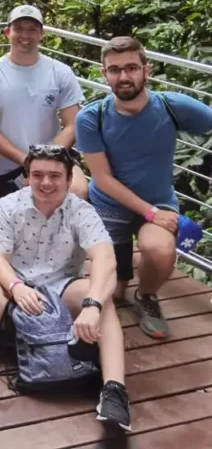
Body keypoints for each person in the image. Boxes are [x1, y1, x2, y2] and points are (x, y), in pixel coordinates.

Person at [0, 145, 131, 432]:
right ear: (27, 177)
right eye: (37, 175)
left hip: (62, 286)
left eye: (55, 176)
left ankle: (114, 389)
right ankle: (59, 344)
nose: (45, 183)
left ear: (69, 180)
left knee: (102, 298)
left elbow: (105, 258)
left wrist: (92, 305)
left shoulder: (81, 210)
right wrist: (16, 287)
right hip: (17, 289)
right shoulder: (9, 205)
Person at [76, 36, 212, 339]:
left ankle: (148, 296)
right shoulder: (92, 117)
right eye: (115, 70)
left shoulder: (171, 106)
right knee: (113, 291)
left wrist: (153, 213)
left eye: (131, 68)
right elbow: (103, 179)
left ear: (146, 70)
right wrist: (149, 214)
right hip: (109, 205)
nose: (123, 77)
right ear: (104, 73)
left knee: (159, 251)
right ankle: (123, 273)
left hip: (157, 200)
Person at [0, 5, 87, 199]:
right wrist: (28, 161)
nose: (25, 35)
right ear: (7, 32)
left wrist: (47, 158)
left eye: (32, 29)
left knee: (78, 190)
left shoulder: (59, 71)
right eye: (18, 29)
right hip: (8, 165)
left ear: (42, 34)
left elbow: (73, 124)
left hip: (55, 157)